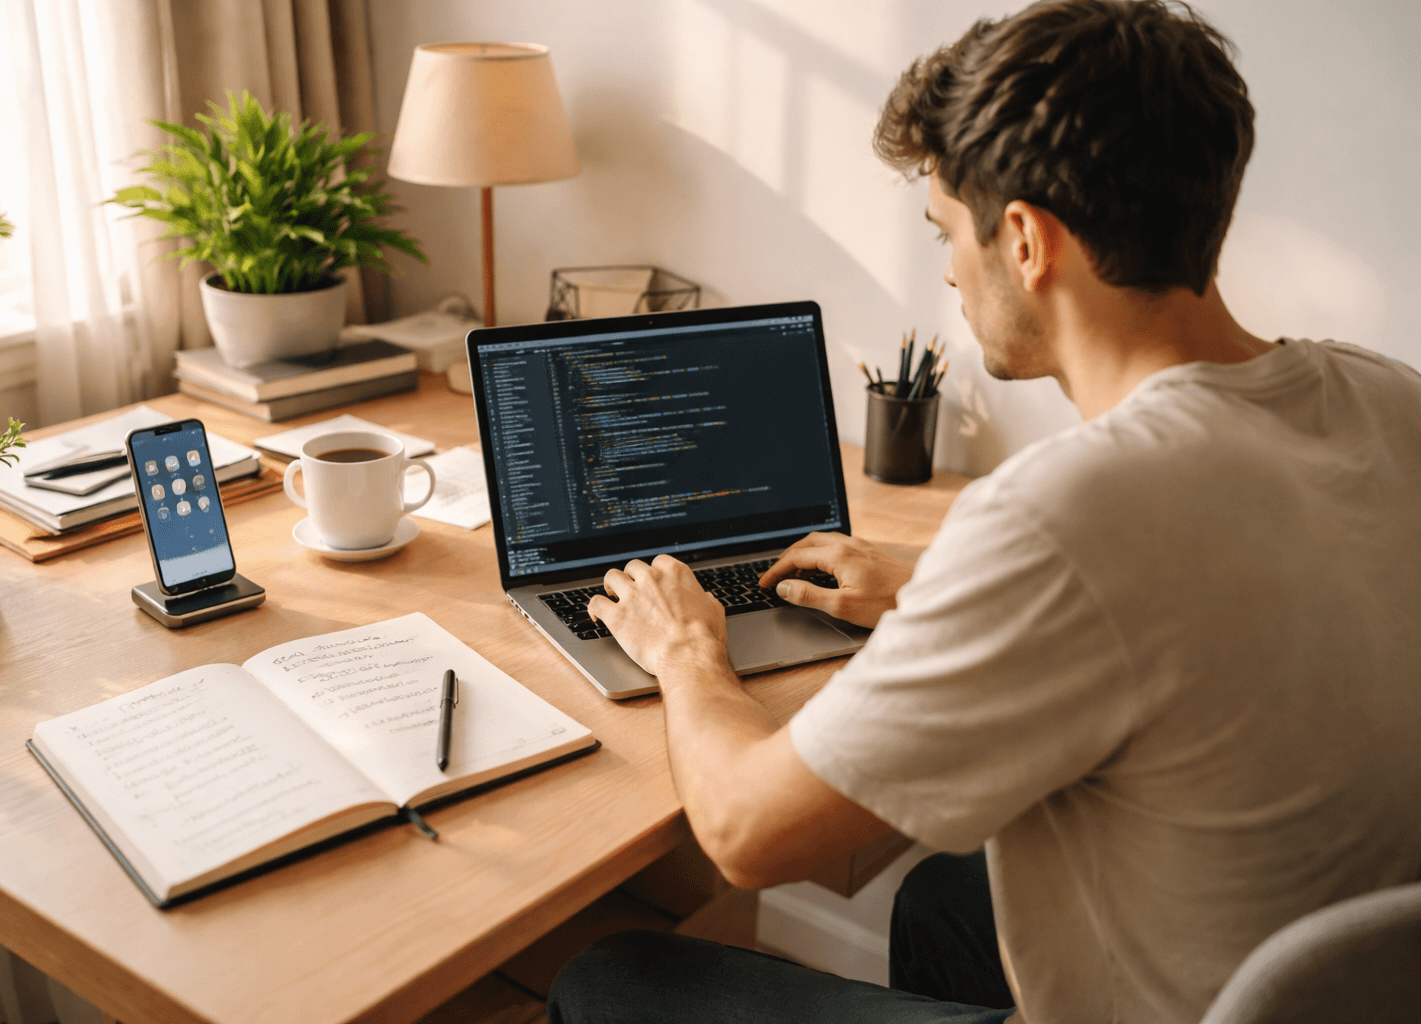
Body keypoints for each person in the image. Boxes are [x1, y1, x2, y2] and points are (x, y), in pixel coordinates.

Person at [546, 0, 1421, 1022]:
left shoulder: (1068, 516)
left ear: (1024, 240)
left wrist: (687, 647)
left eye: (945, 232)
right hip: (1357, 984)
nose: (951, 272)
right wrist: (932, 584)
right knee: (943, 900)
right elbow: (1243, 578)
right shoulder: (1389, 398)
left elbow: (743, 834)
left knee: (611, 976)